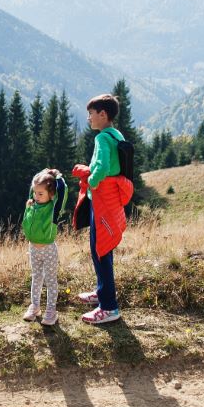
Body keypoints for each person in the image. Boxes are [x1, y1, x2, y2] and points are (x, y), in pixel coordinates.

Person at [72, 93, 134, 325]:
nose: (88, 118)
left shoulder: (101, 139)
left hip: (102, 202)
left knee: (101, 251)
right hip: (110, 201)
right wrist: (92, 170)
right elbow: (110, 166)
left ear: (103, 114)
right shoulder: (115, 135)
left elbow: (103, 167)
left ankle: (109, 307)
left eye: (91, 114)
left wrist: (90, 178)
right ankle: (101, 292)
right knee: (101, 249)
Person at [20, 167, 67, 326]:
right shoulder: (32, 204)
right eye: (35, 193)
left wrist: (57, 175)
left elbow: (63, 190)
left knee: (50, 279)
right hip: (33, 248)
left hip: (48, 249)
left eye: (41, 194)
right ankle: (35, 307)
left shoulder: (53, 207)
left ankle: (51, 311)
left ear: (51, 194)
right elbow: (33, 188)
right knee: (36, 277)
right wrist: (39, 174)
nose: (36, 196)